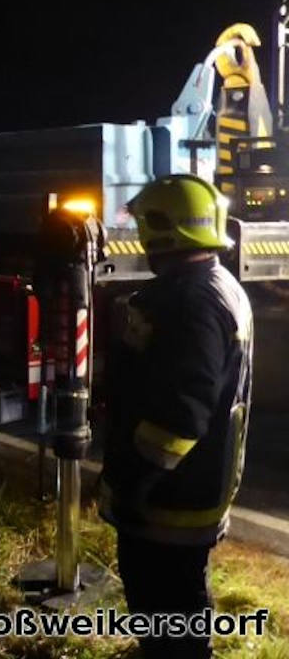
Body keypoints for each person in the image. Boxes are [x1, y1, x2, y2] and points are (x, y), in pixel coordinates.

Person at [100, 174, 253, 659]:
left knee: (165, 606)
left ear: (165, 228)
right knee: (182, 601)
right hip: (196, 487)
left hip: (168, 499)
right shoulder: (217, 285)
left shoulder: (188, 302)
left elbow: (181, 414)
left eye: (147, 223)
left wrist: (132, 483)